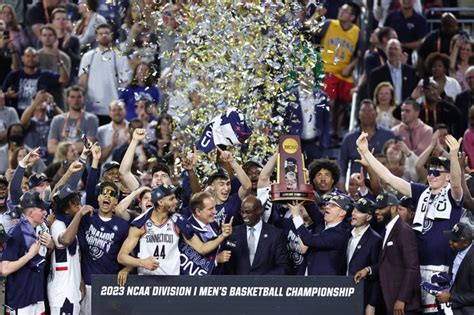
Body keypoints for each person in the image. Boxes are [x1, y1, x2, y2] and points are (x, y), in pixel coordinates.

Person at [356, 131, 464, 314]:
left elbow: (456, 183)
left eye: (437, 171)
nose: (432, 174)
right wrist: (367, 153)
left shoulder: (453, 195)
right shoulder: (421, 192)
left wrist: (453, 156)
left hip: (439, 268)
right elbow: (389, 178)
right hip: (413, 268)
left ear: (447, 176)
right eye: (430, 171)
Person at [117, 185, 233, 275]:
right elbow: (122, 257)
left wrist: (222, 236)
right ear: (160, 202)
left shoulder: (179, 220)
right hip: (147, 283)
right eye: (171, 199)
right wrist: (141, 262)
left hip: (173, 283)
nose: (176, 202)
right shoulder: (140, 223)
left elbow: (202, 249)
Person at [60, 181, 130, 315]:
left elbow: (131, 255)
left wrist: (126, 269)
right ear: (98, 198)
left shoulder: (123, 226)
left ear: (116, 201)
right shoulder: (86, 217)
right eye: (104, 193)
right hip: (85, 284)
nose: (107, 197)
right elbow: (72, 246)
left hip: (109, 286)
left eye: (112, 195)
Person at [355, 192, 421, 315]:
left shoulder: (404, 231)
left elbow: (412, 268)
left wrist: (402, 299)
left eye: (381, 208)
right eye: (376, 208)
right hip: (390, 299)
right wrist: (368, 270)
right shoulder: (387, 230)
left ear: (393, 208)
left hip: (403, 305)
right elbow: (387, 262)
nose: (377, 212)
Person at [2, 191, 54, 314]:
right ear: (31, 213)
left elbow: (40, 259)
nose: (45, 212)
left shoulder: (39, 230)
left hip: (37, 297)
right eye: (41, 210)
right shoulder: (16, 233)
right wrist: (29, 255)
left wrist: (51, 246)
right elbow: (5, 269)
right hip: (20, 303)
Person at [318, 2, 361, 138]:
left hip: (344, 73)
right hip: (327, 70)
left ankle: (336, 132)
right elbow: (312, 38)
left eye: (345, 11)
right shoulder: (329, 24)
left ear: (353, 17)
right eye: (341, 10)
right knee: (329, 101)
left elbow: (360, 55)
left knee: (346, 101)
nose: (340, 12)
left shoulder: (356, 31)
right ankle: (325, 132)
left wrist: (351, 65)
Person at [221, 195, 290, 275]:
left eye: (248, 212)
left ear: (260, 211)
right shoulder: (233, 233)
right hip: (239, 285)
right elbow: (227, 266)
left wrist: (262, 281)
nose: (244, 216)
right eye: (242, 212)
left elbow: (283, 267)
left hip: (265, 285)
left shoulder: (275, 234)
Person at [78, 23, 131, 125]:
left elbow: (125, 82)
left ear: (111, 35)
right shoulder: (88, 56)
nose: (104, 35)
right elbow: (82, 81)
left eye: (106, 33)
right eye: (100, 34)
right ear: (96, 37)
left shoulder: (120, 56)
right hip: (92, 108)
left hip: (113, 109)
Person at [339, 99, 396, 186]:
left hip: (383, 184)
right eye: (364, 111)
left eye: (370, 111)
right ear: (358, 114)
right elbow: (342, 166)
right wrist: (342, 188)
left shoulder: (388, 136)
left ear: (376, 114)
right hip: (357, 185)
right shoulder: (349, 138)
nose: (367, 114)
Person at [291, 194, 351, 275]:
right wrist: (303, 189)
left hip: (325, 283)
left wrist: (295, 215)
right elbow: (311, 207)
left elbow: (309, 240)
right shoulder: (322, 223)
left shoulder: (340, 234)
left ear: (342, 212)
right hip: (309, 278)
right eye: (328, 204)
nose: (327, 207)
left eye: (332, 205)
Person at [47, 185, 82, 315]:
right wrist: (79, 215)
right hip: (62, 293)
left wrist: (81, 281)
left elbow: (75, 258)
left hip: (71, 290)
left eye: (79, 203)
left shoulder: (71, 224)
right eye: (75, 205)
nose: (79, 207)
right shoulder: (58, 224)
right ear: (66, 210)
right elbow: (66, 240)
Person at [2, 47, 68, 115]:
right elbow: (2, 94)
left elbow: (64, 80)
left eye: (33, 56)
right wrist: (7, 95)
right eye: (27, 56)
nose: (30, 59)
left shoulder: (45, 75)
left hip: (40, 115)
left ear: (38, 58)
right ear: (22, 58)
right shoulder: (14, 76)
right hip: (17, 115)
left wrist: (60, 62)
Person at [347, 198, 382, 315]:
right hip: (344, 292)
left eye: (358, 211)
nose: (353, 214)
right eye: (354, 210)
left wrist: (371, 304)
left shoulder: (374, 239)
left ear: (368, 217)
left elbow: (378, 272)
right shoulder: (347, 234)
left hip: (362, 296)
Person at [47, 85, 98, 154]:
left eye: (79, 97)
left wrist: (63, 149)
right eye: (72, 97)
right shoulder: (57, 120)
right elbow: (51, 148)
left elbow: (88, 145)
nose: (76, 100)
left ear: (83, 99)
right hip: (62, 163)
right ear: (66, 99)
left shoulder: (91, 119)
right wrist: (75, 148)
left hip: (82, 163)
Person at [436, 222, 474, 314]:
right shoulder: (456, 251)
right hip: (451, 308)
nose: (450, 242)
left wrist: (451, 297)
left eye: (454, 240)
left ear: (465, 242)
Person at [368, 39, 419, 104]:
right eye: (390, 48)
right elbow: (372, 97)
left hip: (406, 111)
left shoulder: (411, 72)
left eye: (395, 49)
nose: (392, 51)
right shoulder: (376, 74)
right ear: (386, 50)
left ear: (401, 51)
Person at [383, 0, 428, 64]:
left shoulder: (421, 20)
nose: (406, 1)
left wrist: (403, 45)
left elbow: (422, 41)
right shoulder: (391, 17)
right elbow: (384, 36)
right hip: (389, 57)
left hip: (410, 58)